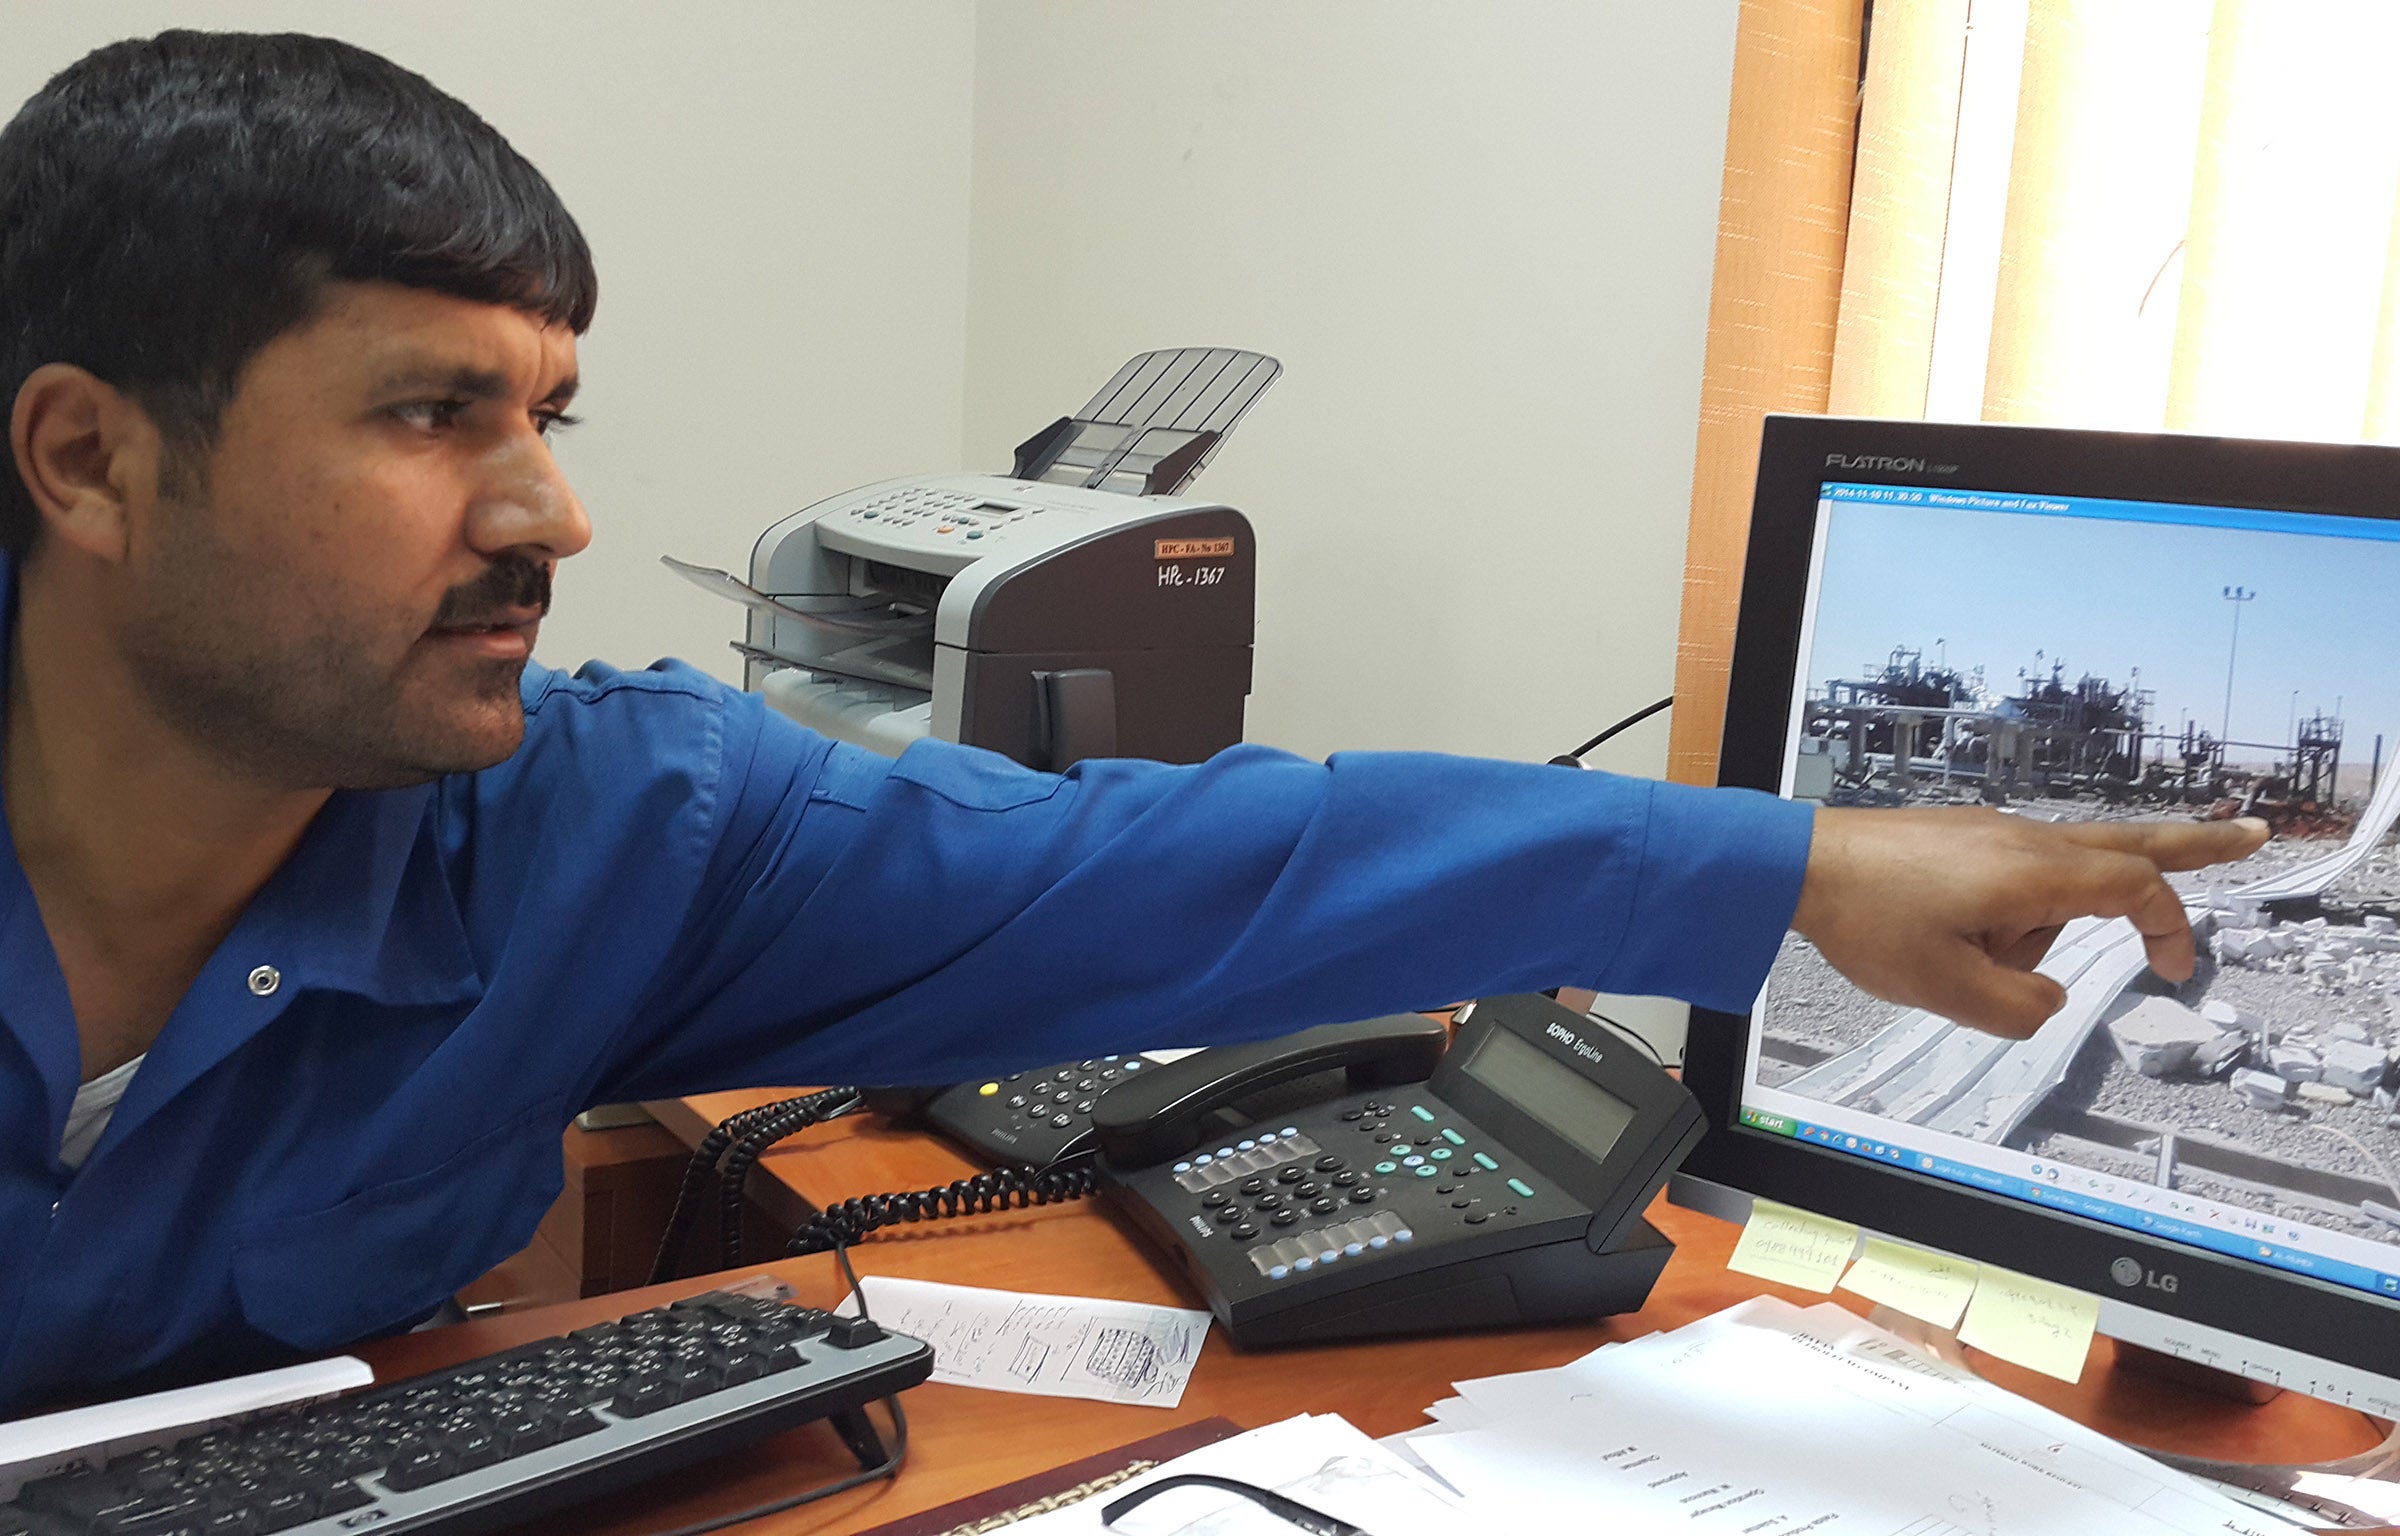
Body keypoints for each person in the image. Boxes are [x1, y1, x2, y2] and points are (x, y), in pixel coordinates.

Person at [0, 30, 2264, 1415]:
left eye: (553, 413)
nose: (552, 511)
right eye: (429, 415)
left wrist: (1802, 871)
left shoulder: (602, 826)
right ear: (91, 461)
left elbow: (1201, 867)